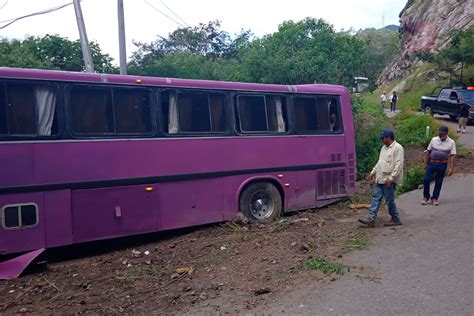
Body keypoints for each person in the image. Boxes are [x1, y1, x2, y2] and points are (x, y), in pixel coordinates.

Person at [359, 129, 404, 227]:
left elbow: (398, 165)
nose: (382, 140)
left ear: (388, 138)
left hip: (388, 179)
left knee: (389, 200)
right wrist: (373, 172)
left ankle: (395, 218)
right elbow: (380, 162)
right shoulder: (384, 148)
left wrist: (391, 178)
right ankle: (371, 219)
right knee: (376, 197)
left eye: (383, 138)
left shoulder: (398, 148)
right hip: (380, 178)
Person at [422, 126, 456, 206]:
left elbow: (452, 155)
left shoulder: (451, 142)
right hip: (432, 163)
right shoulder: (434, 140)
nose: (440, 136)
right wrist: (425, 163)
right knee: (426, 179)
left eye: (442, 134)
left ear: (446, 134)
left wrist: (450, 168)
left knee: (439, 181)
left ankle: (435, 198)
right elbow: (428, 151)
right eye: (439, 134)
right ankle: (426, 196)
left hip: (442, 164)